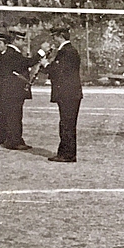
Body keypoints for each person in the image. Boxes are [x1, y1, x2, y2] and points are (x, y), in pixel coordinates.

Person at [40, 26, 83, 162]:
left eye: (54, 37)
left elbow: (58, 71)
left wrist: (46, 64)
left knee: (67, 124)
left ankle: (67, 154)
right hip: (69, 93)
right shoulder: (66, 51)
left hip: (68, 94)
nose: (53, 39)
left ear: (60, 36)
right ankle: (64, 153)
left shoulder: (67, 51)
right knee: (66, 124)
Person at [0, 29, 36, 151]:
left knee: (13, 115)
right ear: (16, 40)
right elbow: (27, 63)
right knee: (15, 115)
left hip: (10, 90)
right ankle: (14, 141)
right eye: (21, 40)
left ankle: (13, 139)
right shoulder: (12, 53)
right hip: (14, 90)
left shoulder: (10, 52)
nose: (23, 42)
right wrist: (41, 53)